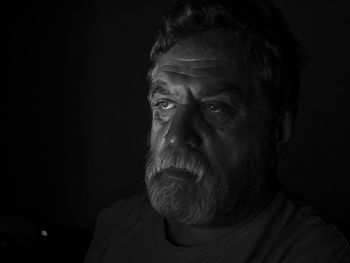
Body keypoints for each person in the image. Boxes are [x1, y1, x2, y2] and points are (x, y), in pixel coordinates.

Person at [85, 0, 350, 262]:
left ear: (277, 131)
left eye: (214, 107)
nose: (175, 135)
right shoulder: (116, 222)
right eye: (165, 104)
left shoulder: (314, 251)